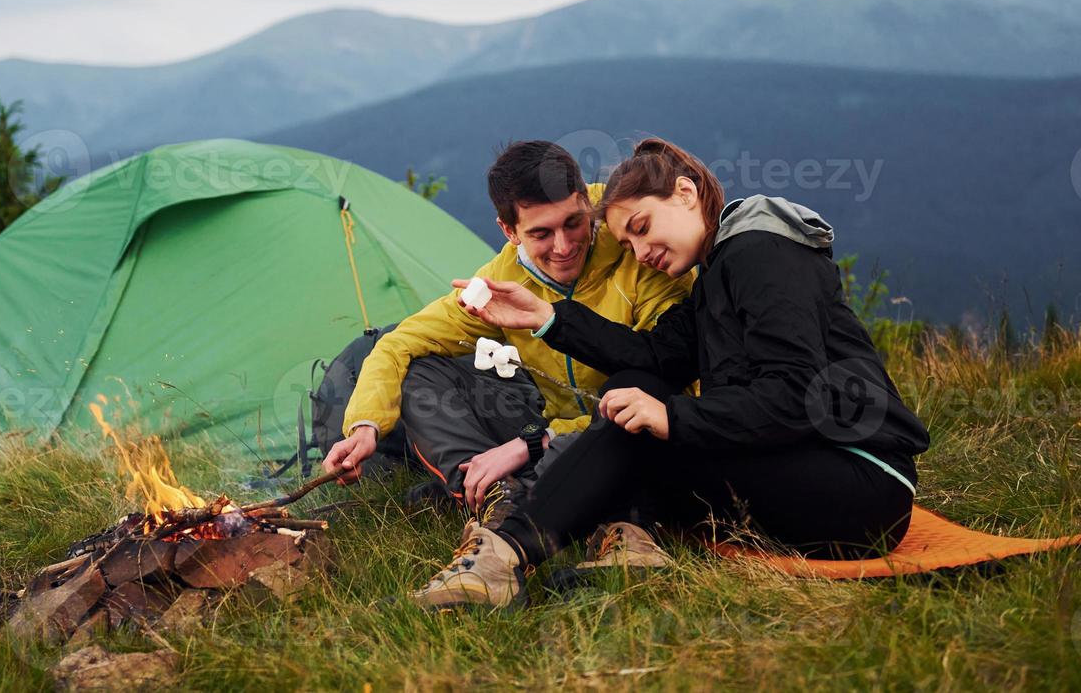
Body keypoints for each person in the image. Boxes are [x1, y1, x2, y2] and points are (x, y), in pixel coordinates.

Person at [411, 137, 930, 610]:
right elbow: (651, 357)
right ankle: (623, 543)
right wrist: (546, 318)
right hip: (800, 468)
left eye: (641, 228)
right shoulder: (715, 277)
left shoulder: (761, 251)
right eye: (629, 246)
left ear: (685, 192)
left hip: (860, 485)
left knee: (644, 422)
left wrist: (672, 418)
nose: (642, 253)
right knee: (629, 393)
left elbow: (797, 394)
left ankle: (503, 558)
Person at [322, 140, 692, 532]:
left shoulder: (638, 242)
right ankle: (496, 495)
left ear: (586, 201)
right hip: (550, 427)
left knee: (610, 447)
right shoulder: (503, 280)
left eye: (573, 223)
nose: (564, 246)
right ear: (509, 230)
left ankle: (514, 492)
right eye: (541, 234)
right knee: (421, 369)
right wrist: (365, 426)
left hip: (632, 429)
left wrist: (530, 443)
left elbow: (668, 381)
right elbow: (399, 343)